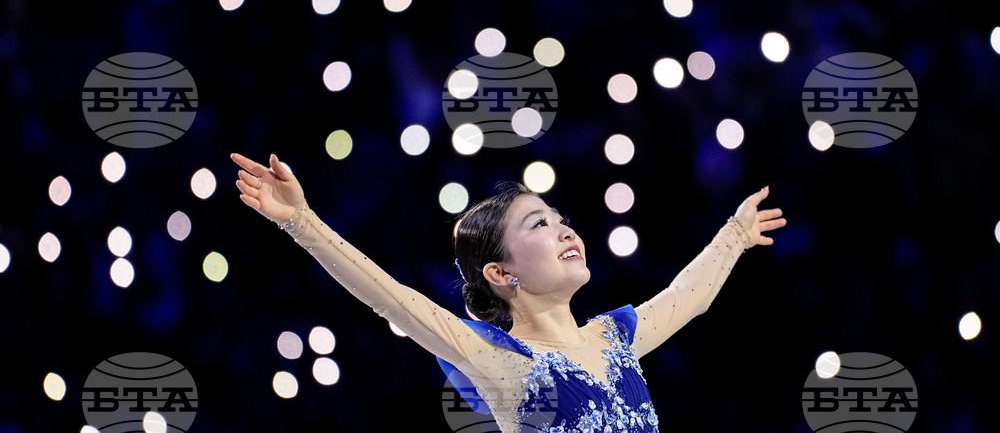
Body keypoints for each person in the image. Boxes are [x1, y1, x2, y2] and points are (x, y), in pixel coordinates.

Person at [231, 152, 786, 432]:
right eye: (539, 225)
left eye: (561, 219)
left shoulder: (615, 336)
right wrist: (302, 222)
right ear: (500, 272)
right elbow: (391, 297)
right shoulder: (501, 362)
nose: (566, 231)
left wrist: (736, 234)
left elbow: (689, 296)